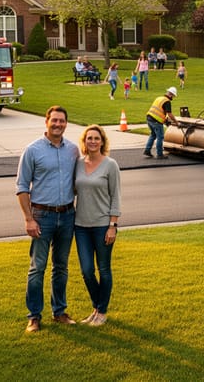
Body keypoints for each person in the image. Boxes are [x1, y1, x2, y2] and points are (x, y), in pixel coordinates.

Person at [15, 105, 81, 332]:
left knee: (61, 267)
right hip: (42, 216)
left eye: (62, 121)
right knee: (37, 267)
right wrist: (28, 219)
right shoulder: (32, 150)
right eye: (54, 120)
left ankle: (59, 311)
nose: (58, 124)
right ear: (46, 122)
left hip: (67, 214)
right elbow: (22, 187)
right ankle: (34, 316)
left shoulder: (73, 150)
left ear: (66, 123)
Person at [74, 125, 121, 326]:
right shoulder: (77, 163)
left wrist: (113, 225)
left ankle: (101, 312)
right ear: (84, 142)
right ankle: (97, 307)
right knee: (86, 270)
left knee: (104, 269)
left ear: (102, 142)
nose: (92, 141)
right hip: (80, 225)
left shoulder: (110, 165)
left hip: (103, 225)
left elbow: (116, 197)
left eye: (96, 138)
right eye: (89, 138)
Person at [143, 86, 177, 159]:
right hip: (156, 121)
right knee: (160, 137)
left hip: (149, 118)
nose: (172, 98)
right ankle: (160, 154)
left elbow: (159, 111)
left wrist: (165, 120)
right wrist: (176, 122)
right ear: (170, 94)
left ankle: (147, 150)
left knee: (153, 135)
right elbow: (170, 114)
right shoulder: (167, 101)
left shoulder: (159, 98)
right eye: (173, 96)